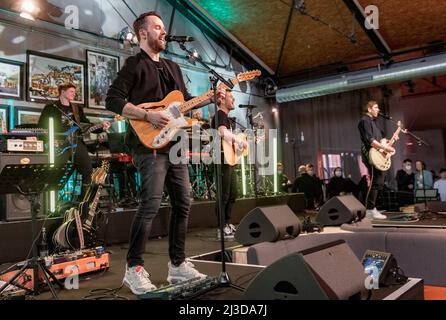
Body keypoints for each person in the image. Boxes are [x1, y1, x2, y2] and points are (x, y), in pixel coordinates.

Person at [105, 11, 209, 295]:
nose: (164, 32)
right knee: (150, 204)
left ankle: (177, 266)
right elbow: (112, 100)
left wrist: (211, 97)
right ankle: (134, 268)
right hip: (146, 144)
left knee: (183, 203)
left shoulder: (173, 67)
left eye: (164, 28)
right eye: (158, 27)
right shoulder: (133, 64)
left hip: (175, 144)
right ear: (142, 33)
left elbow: (184, 104)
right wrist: (146, 116)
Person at [38, 83, 110, 196]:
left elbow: (86, 125)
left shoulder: (77, 108)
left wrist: (101, 126)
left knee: (88, 172)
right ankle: (51, 202)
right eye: (71, 91)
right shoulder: (50, 107)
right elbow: (41, 126)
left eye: (74, 91)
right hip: (58, 143)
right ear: (62, 92)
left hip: (75, 142)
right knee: (56, 172)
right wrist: (46, 141)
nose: (74, 93)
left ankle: (83, 202)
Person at [211, 88, 248, 240]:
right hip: (221, 159)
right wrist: (239, 140)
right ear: (222, 100)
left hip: (229, 160)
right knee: (224, 194)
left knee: (232, 194)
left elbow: (229, 140)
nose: (233, 100)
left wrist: (243, 144)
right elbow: (222, 133)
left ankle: (227, 222)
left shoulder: (227, 117)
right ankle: (221, 227)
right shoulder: (220, 114)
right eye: (231, 97)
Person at [358, 100, 395, 220]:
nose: (378, 110)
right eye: (375, 107)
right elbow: (371, 140)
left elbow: (382, 142)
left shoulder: (374, 123)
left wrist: (391, 142)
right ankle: (369, 210)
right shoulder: (365, 120)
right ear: (369, 109)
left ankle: (372, 209)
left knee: (379, 182)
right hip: (371, 154)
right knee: (375, 181)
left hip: (378, 154)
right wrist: (386, 147)